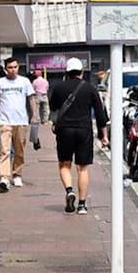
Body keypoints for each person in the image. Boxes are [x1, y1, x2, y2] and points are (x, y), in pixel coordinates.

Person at [49, 58, 109, 215]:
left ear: (66, 72)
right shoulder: (90, 88)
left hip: (64, 130)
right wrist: (104, 135)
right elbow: (100, 113)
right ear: (82, 72)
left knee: (64, 164)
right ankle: (82, 205)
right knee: (82, 168)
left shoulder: (58, 87)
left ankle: (69, 191)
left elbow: (53, 108)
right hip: (84, 130)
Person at [0, 57, 36, 193]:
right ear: (6, 69)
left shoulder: (25, 82)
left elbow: (31, 99)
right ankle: (4, 177)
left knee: (19, 149)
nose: (13, 70)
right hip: (5, 121)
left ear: (18, 68)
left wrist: (34, 116)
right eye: (10, 67)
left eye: (15, 67)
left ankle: (17, 174)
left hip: (21, 120)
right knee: (4, 150)